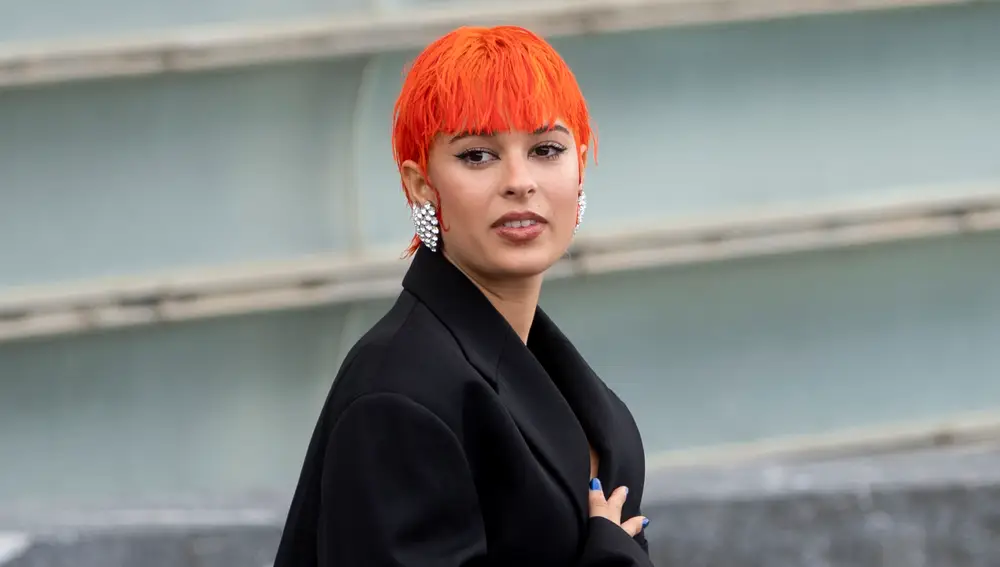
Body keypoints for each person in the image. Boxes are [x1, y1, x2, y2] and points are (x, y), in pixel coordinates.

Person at [273, 25, 653, 567]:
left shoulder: (536, 357)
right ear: (421, 184)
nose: (520, 181)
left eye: (546, 149)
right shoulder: (397, 393)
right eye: (477, 155)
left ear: (580, 167)